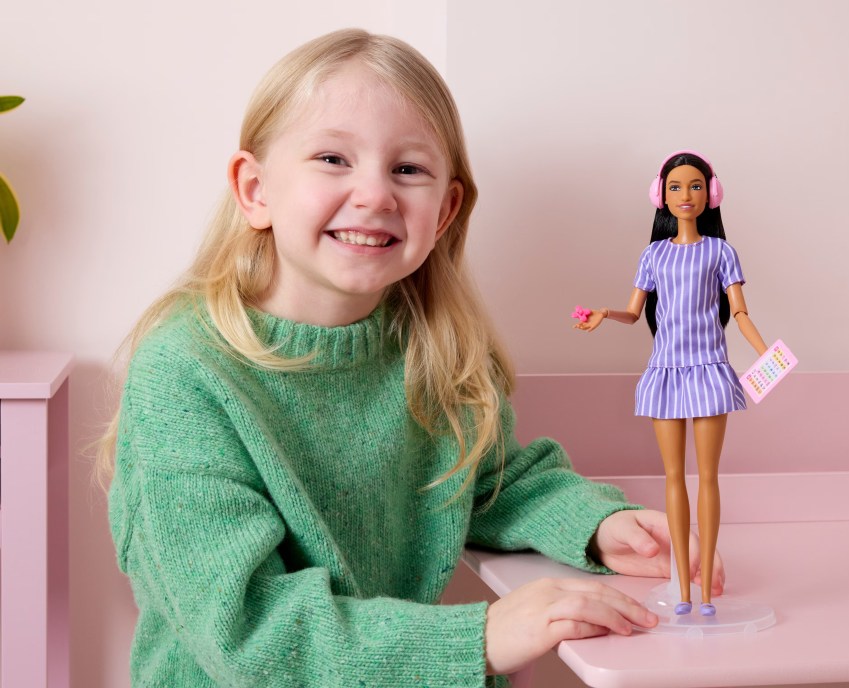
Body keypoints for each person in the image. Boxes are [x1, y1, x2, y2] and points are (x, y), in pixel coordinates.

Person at [100, 31, 719, 687]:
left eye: (407, 169)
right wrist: (480, 636)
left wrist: (595, 526)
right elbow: (248, 633)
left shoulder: (439, 350)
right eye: (333, 158)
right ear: (255, 190)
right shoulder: (185, 371)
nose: (374, 194)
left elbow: (486, 482)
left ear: (445, 210)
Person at [575, 150, 764, 617]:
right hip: (665, 372)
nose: (686, 195)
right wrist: (606, 313)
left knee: (709, 477)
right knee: (674, 477)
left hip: (709, 369)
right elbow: (634, 310)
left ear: (711, 193)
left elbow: (739, 311)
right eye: (676, 187)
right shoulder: (653, 254)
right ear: (661, 195)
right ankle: (682, 582)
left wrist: (765, 354)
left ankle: (702, 592)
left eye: (696, 186)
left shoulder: (721, 251)